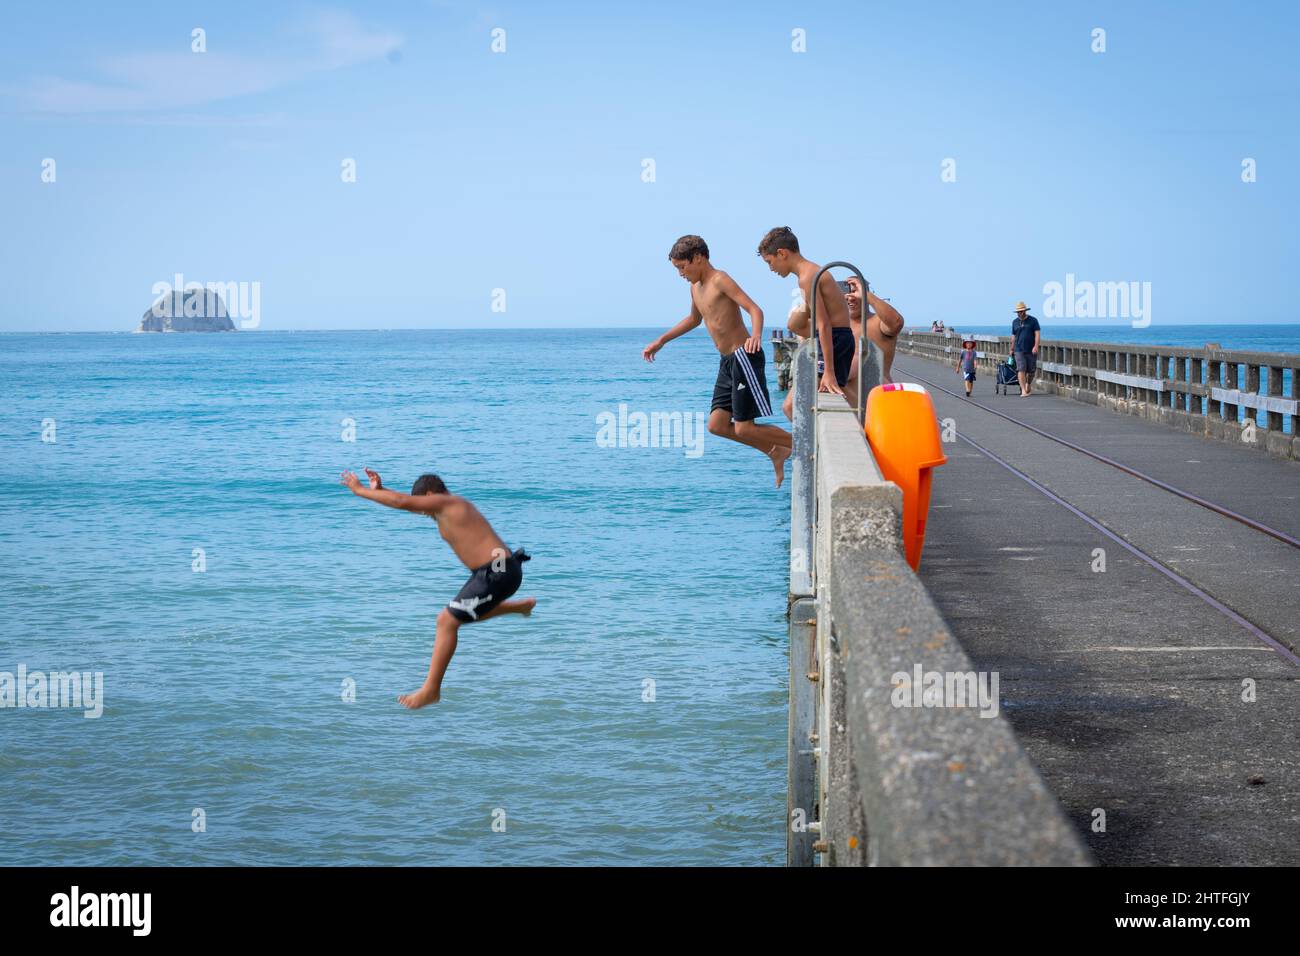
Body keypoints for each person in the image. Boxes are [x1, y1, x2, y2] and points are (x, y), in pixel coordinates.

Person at [340, 468, 535, 709]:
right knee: (461, 613)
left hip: (497, 571)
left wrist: (360, 491)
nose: (423, 512)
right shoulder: (448, 507)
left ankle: (431, 689)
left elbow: (403, 502)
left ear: (431, 494)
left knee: (446, 620)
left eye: (424, 506)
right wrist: (381, 491)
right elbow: (405, 502)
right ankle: (519, 607)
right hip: (500, 571)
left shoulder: (447, 502)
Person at [643, 235, 793, 487]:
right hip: (727, 361)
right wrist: (662, 341)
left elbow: (755, 309)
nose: (680, 273)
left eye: (682, 267)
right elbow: (693, 319)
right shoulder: (695, 288)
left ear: (699, 258)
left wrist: (755, 336)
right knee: (716, 425)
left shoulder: (720, 279)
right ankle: (775, 451)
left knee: (745, 428)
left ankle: (803, 443)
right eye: (677, 268)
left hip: (744, 357)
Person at [757, 227, 855, 408]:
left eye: (769, 262)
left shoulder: (807, 277)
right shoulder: (809, 273)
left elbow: (823, 324)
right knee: (792, 407)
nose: (771, 269)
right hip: (836, 337)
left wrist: (829, 371)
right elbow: (804, 323)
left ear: (782, 253)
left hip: (835, 338)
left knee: (798, 406)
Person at [845, 275, 903, 387]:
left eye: (855, 292)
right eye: (847, 292)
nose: (851, 297)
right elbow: (801, 326)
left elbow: (896, 323)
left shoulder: (878, 322)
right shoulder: (834, 325)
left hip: (877, 395)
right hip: (843, 398)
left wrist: (866, 295)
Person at [1011, 301, 1041, 397]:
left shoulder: (1033, 320)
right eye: (1018, 312)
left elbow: (1037, 334)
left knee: (1031, 370)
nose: (1019, 313)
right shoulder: (1014, 322)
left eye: (1021, 311)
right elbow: (1013, 336)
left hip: (1031, 349)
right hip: (1018, 349)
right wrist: (1011, 348)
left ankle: (1028, 384)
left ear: (1025, 311)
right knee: (1021, 369)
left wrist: (1036, 346)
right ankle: (1023, 390)